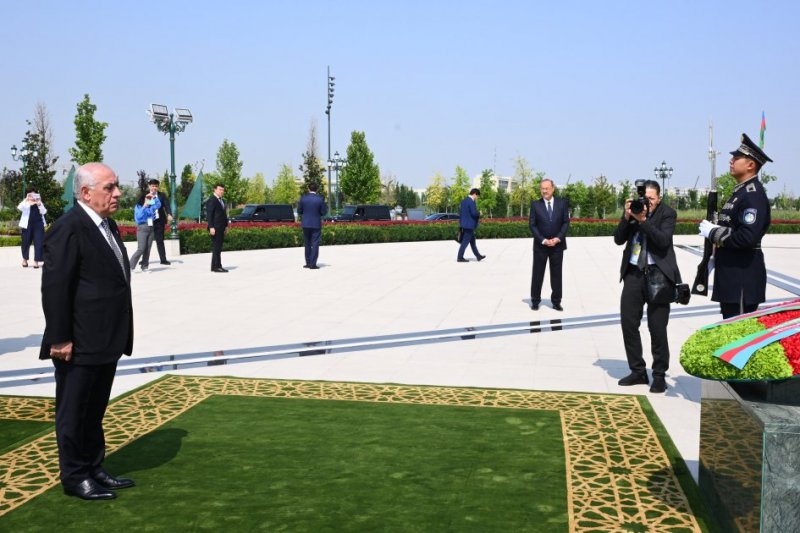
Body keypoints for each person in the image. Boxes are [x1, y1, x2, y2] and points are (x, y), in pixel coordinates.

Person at [40, 162, 135, 500]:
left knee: (94, 411)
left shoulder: (104, 225)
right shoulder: (69, 227)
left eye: (116, 186)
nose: (117, 193)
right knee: (73, 412)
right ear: (85, 192)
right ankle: (75, 476)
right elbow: (55, 288)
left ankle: (94, 467)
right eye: (109, 187)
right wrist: (60, 337)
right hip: (77, 341)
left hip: (105, 338)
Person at [613, 180, 680, 394]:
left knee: (657, 327)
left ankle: (659, 374)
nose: (647, 203)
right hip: (633, 273)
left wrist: (643, 221)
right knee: (628, 323)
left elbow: (662, 241)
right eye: (645, 199)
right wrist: (627, 217)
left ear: (659, 198)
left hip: (658, 275)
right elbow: (618, 239)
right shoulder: (634, 210)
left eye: (651, 199)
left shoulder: (668, 214)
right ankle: (638, 371)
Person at [699, 133, 772, 319]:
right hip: (732, 275)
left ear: (750, 165)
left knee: (738, 334)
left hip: (742, 278)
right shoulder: (740, 193)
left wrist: (714, 232)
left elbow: (747, 237)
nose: (731, 161)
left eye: (736, 158)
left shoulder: (753, 195)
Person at [529, 179, 570, 311]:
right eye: (542, 188)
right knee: (537, 274)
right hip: (541, 246)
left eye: (547, 188)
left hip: (557, 246)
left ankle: (556, 301)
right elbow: (532, 225)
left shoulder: (562, 203)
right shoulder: (535, 205)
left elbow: (566, 222)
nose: (544, 191)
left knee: (557, 275)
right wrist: (543, 240)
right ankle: (535, 301)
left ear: (553, 188)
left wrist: (558, 238)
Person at [138, 178, 172, 265]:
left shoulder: (162, 195)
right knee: (147, 241)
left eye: (156, 186)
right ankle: (144, 260)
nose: (154, 188)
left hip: (159, 221)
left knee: (160, 240)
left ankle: (163, 260)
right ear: (149, 186)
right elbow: (142, 206)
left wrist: (169, 214)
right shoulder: (146, 195)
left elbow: (167, 205)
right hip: (148, 221)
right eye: (153, 186)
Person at [128, 190, 161, 273]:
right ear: (144, 198)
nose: (149, 199)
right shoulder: (138, 207)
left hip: (151, 228)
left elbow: (158, 205)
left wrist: (154, 197)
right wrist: (144, 206)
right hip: (142, 228)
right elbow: (138, 217)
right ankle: (130, 266)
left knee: (147, 249)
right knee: (141, 249)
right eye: (147, 197)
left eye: (150, 198)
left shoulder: (151, 206)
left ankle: (144, 267)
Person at [297, 182, 327, 269]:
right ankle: (313, 264)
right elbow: (323, 212)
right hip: (316, 224)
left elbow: (299, 211)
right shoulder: (320, 199)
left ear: (308, 188)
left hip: (305, 223)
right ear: (316, 189)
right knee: (315, 243)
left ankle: (308, 263)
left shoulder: (303, 198)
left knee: (307, 243)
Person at [17, 188, 47, 268]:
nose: (32, 196)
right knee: (25, 243)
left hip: (38, 225)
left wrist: (39, 204)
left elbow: (44, 212)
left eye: (34, 194)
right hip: (27, 225)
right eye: (30, 194)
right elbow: (19, 207)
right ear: (28, 195)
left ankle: (36, 262)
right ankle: (25, 260)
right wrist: (26, 199)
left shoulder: (39, 202)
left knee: (39, 243)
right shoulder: (25, 203)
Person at [457, 188, 485, 263]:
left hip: (464, 224)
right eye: (477, 196)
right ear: (475, 194)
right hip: (469, 225)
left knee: (472, 242)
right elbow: (474, 213)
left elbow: (461, 213)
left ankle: (478, 256)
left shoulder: (464, 201)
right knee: (465, 242)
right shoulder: (471, 202)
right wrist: (479, 213)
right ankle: (460, 257)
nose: (477, 198)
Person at [206, 183, 229, 272]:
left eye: (223, 190)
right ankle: (217, 266)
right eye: (220, 189)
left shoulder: (222, 201)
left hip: (221, 227)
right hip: (215, 227)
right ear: (215, 190)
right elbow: (209, 215)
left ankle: (214, 266)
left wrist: (226, 226)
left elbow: (224, 215)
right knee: (217, 247)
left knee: (218, 247)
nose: (222, 191)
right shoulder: (212, 200)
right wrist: (211, 227)